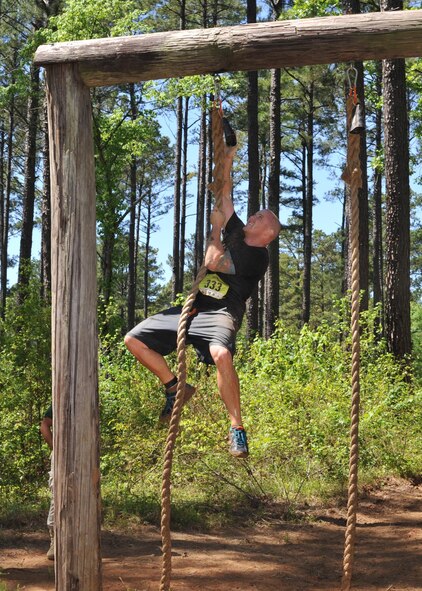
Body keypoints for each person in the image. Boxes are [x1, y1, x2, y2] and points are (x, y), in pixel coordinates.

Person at [124, 138, 281, 458]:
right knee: (133, 340)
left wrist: (213, 236)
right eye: (254, 214)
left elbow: (214, 262)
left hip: (222, 312)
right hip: (194, 308)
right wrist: (229, 155)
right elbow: (224, 192)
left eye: (260, 217)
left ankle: (237, 428)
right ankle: (175, 388)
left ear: (268, 234)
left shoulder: (259, 257)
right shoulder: (237, 231)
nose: (253, 216)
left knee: (221, 354)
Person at [40, 404, 54, 560]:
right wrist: (56, 448)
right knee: (57, 494)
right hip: (61, 453)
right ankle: (55, 541)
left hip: (84, 452)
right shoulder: (62, 397)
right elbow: (44, 425)